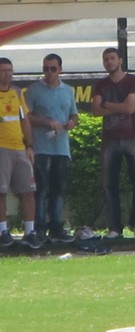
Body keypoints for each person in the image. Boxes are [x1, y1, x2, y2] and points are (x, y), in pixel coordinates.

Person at [91, 47, 135, 239]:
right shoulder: (100, 84)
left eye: (112, 58)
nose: (109, 62)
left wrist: (108, 105)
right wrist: (118, 108)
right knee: (109, 183)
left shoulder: (133, 81)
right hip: (110, 139)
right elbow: (96, 110)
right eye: (106, 59)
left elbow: (130, 107)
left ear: (120, 60)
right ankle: (114, 228)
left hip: (133, 137)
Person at [26, 53, 78, 243]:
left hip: (61, 147)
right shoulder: (34, 90)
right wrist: (46, 121)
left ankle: (56, 226)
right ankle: (39, 227)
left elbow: (74, 115)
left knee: (58, 188)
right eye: (45, 68)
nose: (48, 72)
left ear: (60, 70)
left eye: (52, 69)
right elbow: (27, 116)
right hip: (41, 147)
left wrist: (71, 122)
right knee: (41, 188)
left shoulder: (68, 91)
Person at [0, 57, 43, 250]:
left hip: (20, 148)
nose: (7, 74)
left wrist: (30, 145)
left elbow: (24, 119)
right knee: (0, 191)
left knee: (28, 190)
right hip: (1, 148)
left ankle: (29, 231)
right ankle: (3, 231)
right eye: (3, 71)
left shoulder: (17, 92)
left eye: (9, 70)